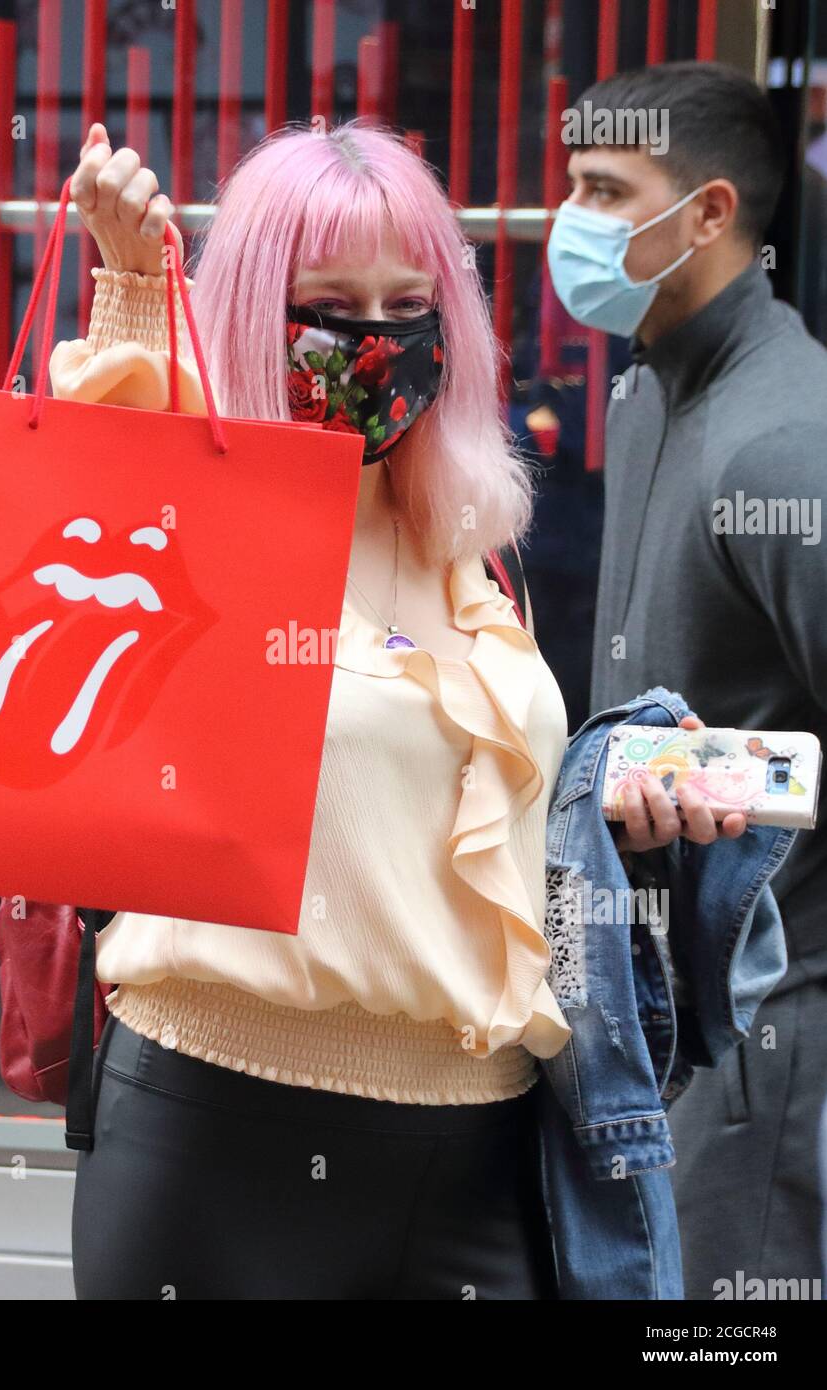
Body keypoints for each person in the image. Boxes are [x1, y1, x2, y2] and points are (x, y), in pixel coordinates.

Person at [52, 117, 741, 1301]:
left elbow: (466, 810)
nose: (375, 344)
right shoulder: (202, 519)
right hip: (221, 1138)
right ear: (251, 316)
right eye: (329, 304)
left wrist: (608, 802)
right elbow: (107, 500)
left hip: (480, 1154)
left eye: (406, 305)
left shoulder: (460, 543)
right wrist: (129, 288)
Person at [550, 60, 827, 1298]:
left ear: (712, 213)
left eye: (608, 190)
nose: (573, 217)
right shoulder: (648, 394)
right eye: (572, 185)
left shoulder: (790, 439)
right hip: (656, 1018)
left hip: (775, 1047)